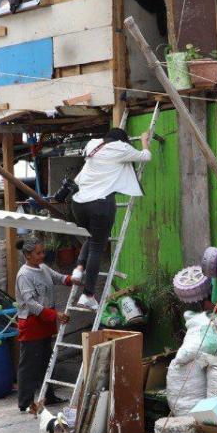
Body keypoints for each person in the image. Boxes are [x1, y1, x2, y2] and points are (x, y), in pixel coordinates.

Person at [68, 127, 152, 311]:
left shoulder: (93, 145)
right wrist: (145, 139)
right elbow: (146, 156)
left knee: (92, 239)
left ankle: (79, 269)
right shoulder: (121, 148)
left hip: (79, 204)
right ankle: (88, 295)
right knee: (97, 247)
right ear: (122, 140)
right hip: (99, 204)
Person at [13, 237, 72, 413]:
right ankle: (25, 402)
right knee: (29, 365)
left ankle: (49, 395)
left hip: (45, 323)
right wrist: (55, 314)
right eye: (38, 253)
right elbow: (30, 303)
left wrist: (74, 278)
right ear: (27, 255)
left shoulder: (43, 268)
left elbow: (59, 278)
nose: (42, 256)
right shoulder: (24, 275)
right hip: (32, 324)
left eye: (42, 252)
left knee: (47, 361)